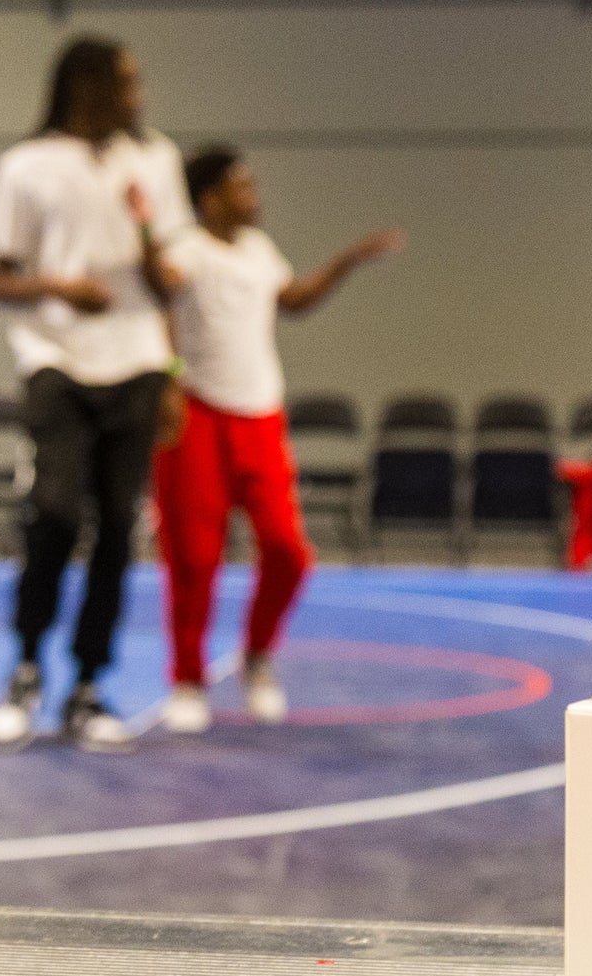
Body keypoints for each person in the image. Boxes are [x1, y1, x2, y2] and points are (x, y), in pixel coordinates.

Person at [131, 146, 403, 733]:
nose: (255, 196)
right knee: (193, 558)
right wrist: (170, 381)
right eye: (243, 186)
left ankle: (257, 656)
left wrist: (346, 261)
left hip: (260, 416)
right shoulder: (187, 252)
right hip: (198, 418)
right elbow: (157, 289)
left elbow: (293, 300)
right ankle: (186, 680)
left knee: (286, 549)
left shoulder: (259, 252)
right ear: (210, 199)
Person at [0, 38, 191, 752]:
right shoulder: (26, 165)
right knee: (57, 513)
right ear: (86, 85)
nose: (139, 93)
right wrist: (60, 286)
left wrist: (171, 371)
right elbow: (0, 280)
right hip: (56, 358)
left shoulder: (155, 160)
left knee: (118, 530)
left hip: (135, 362)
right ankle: (26, 668)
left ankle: (89, 686)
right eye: (126, 81)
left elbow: (171, 283)